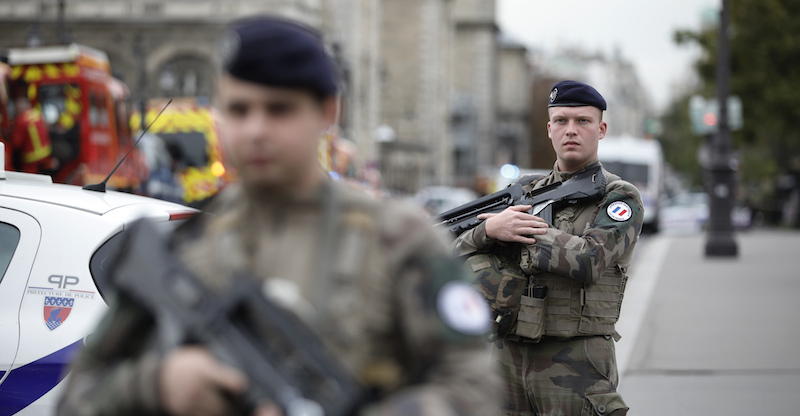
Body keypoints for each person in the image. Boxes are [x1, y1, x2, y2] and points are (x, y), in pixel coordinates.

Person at [57, 16, 497, 416]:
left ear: (328, 111)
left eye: (278, 109)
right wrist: (159, 384)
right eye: (239, 109)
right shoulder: (184, 244)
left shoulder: (400, 238)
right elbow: (77, 396)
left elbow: (474, 389)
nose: (256, 130)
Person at [454, 80, 644, 416]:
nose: (571, 130)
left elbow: (590, 259)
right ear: (549, 129)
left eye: (582, 121)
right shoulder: (522, 192)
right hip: (507, 356)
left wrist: (521, 231)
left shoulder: (619, 196)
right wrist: (488, 229)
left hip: (576, 361)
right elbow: (452, 252)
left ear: (601, 129)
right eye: (561, 121)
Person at [9, 93, 52, 173]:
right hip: (46, 152)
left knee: (29, 179)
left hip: (32, 157)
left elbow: (16, 143)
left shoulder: (20, 120)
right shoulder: (37, 113)